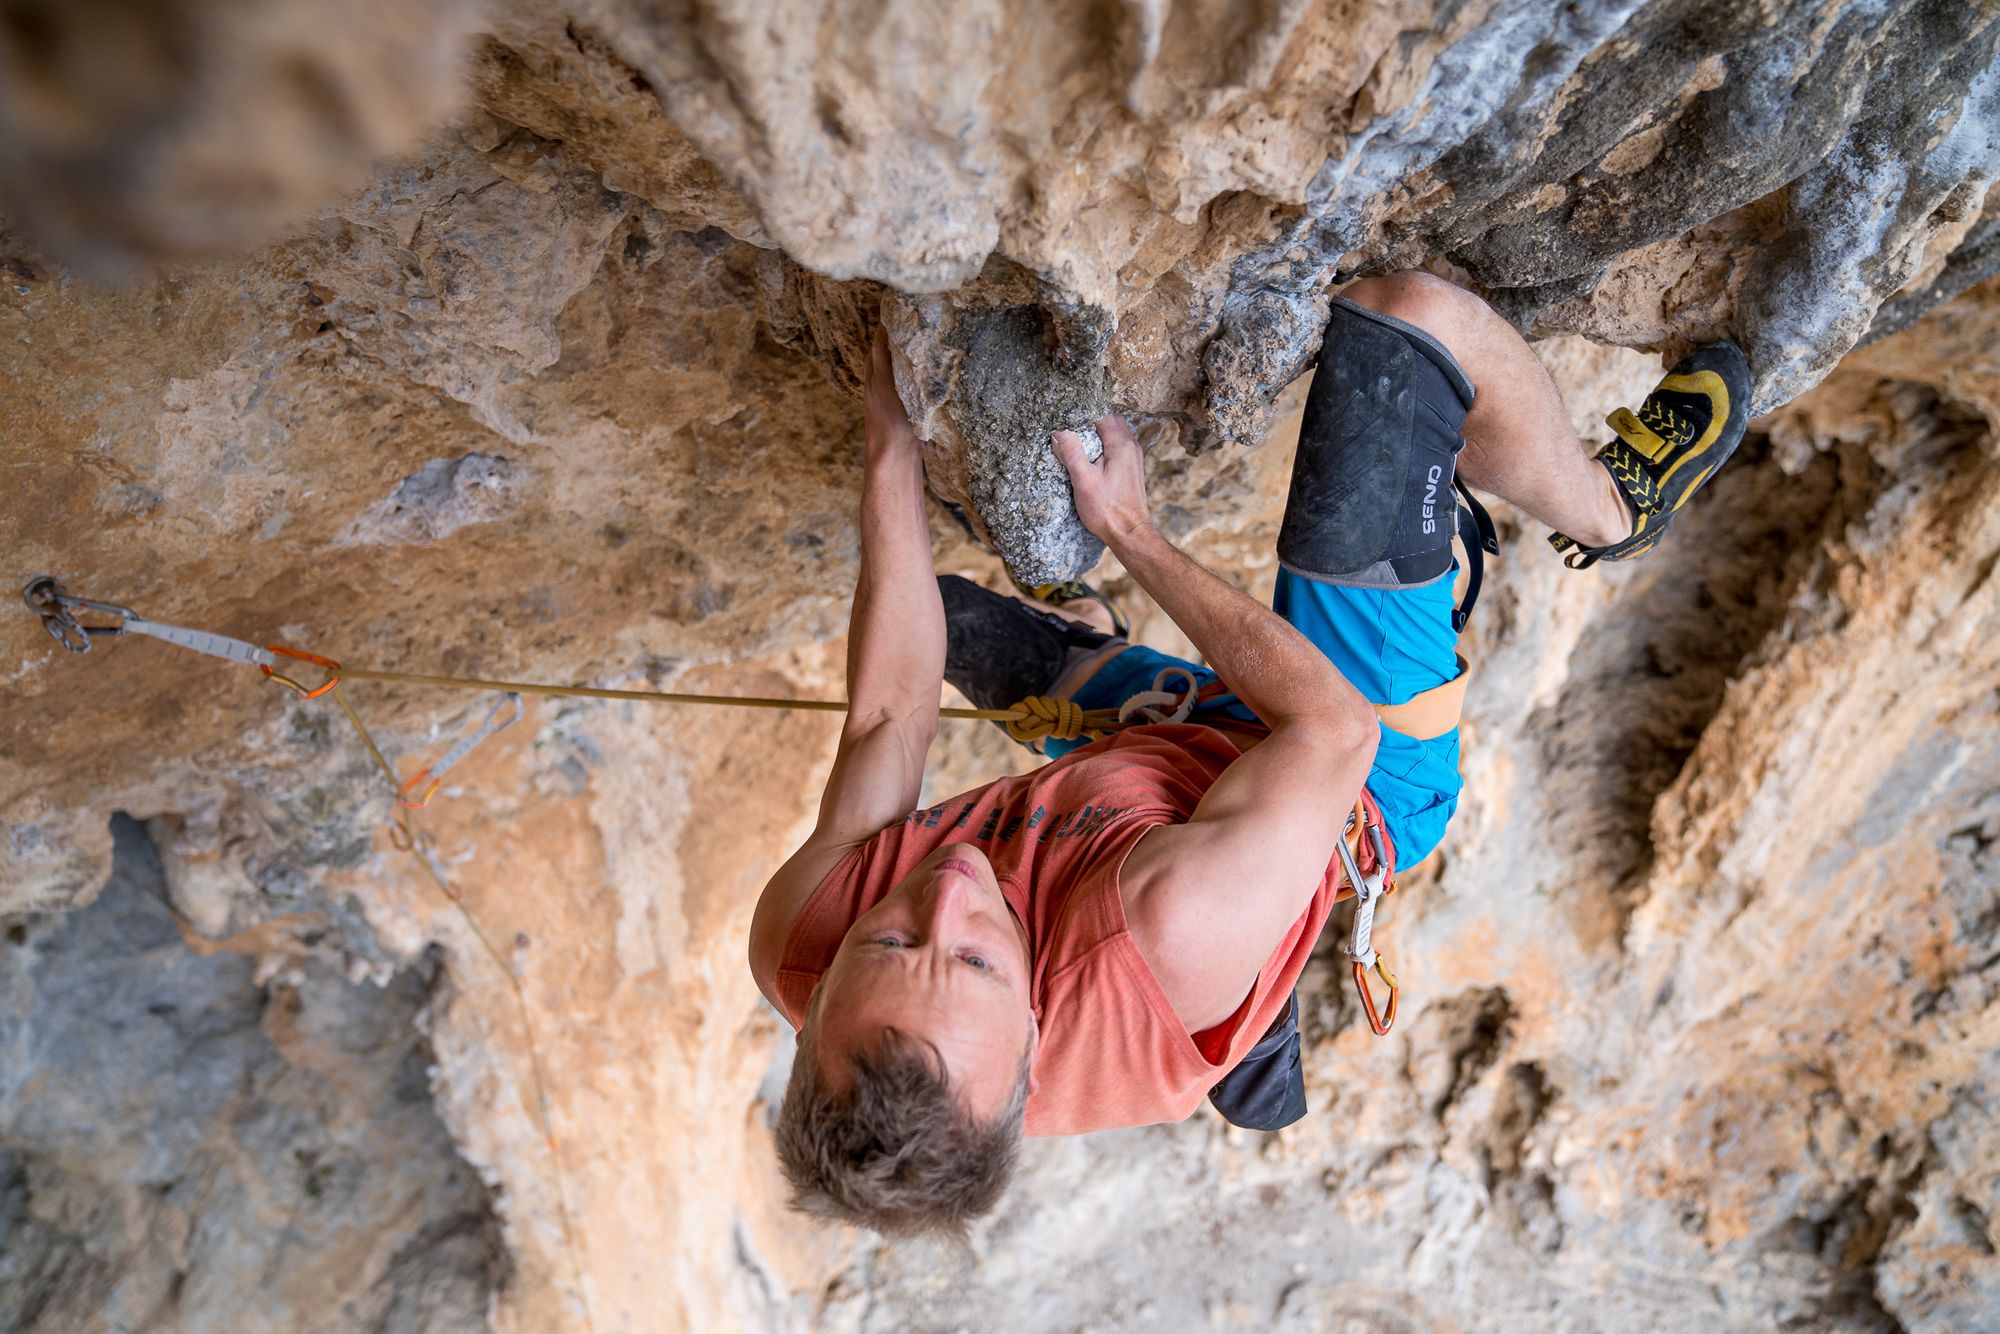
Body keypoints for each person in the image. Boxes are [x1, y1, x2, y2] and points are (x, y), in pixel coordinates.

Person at [747, 271, 1751, 1238]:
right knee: (1404, 324)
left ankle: (1095, 665)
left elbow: (888, 717)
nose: (950, 886)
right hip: (1343, 771)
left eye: (887, 938)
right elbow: (1330, 727)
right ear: (1028, 1039)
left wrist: (891, 438)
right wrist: (1130, 529)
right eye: (973, 954)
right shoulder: (1159, 930)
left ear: (817, 999)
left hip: (1155, 791)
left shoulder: (804, 939)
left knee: (952, 621)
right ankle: (1614, 510)